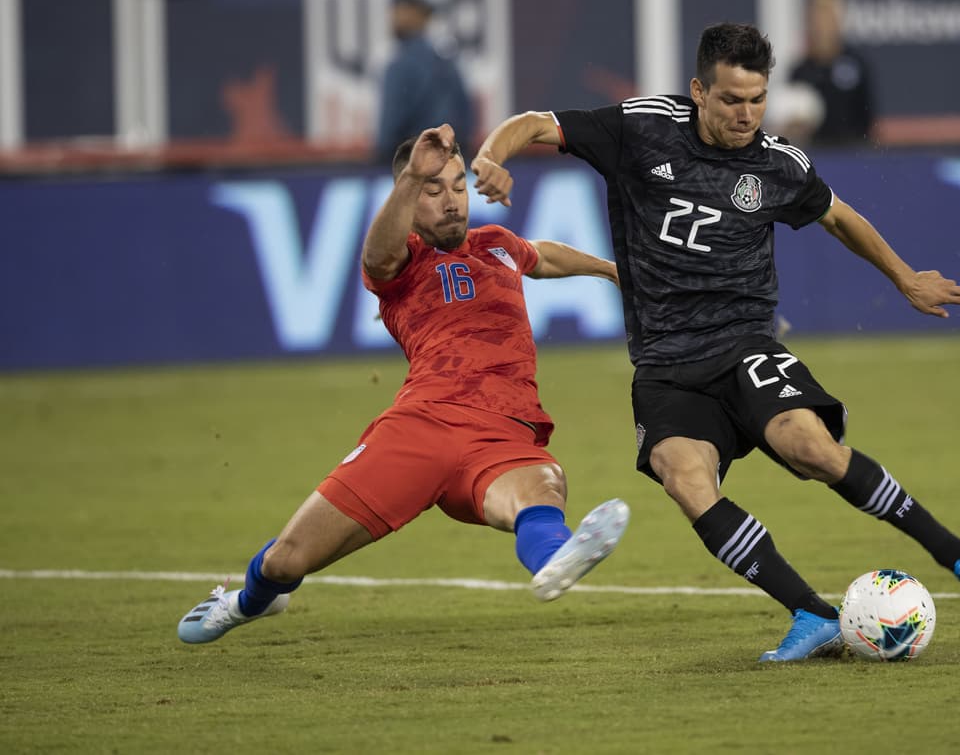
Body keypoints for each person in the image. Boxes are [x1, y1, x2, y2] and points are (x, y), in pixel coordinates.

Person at [470, 22, 960, 663]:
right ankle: (812, 614)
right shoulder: (642, 128)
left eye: (758, 99)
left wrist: (905, 279)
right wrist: (492, 156)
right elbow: (536, 122)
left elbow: (840, 217)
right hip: (663, 363)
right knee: (684, 477)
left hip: (744, 343)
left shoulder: (777, 163)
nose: (747, 114)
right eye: (732, 99)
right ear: (698, 92)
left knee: (811, 449)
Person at [178, 124, 629, 644]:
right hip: (422, 429)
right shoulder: (404, 262)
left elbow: (543, 255)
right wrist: (414, 174)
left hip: (504, 434)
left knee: (543, 488)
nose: (452, 201)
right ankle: (247, 601)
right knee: (288, 560)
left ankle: (556, 558)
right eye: (432, 191)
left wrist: (613, 271)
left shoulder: (496, 245)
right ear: (409, 198)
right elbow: (376, 255)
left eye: (457, 185)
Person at [373, 0, 475, 162]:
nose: (395, 17)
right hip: (450, 164)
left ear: (421, 16)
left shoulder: (402, 64)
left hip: (412, 164)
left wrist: (381, 157)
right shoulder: (447, 60)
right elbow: (466, 119)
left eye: (402, 10)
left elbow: (389, 129)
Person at [788, 0, 876, 147]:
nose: (822, 25)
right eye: (817, 18)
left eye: (828, 17)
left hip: (854, 153)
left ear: (838, 20)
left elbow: (868, 119)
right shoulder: (800, 71)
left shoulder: (856, 64)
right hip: (814, 155)